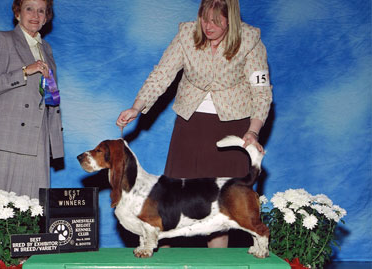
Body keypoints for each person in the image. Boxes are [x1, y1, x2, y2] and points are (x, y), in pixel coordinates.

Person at [116, 0, 272, 248]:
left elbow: (261, 92)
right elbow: (162, 74)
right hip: (190, 126)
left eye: (216, 22)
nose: (208, 26)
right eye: (204, 19)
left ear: (230, 21)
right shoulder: (186, 34)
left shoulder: (250, 40)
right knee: (168, 205)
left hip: (232, 127)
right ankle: (161, 264)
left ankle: (216, 266)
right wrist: (138, 106)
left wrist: (253, 131)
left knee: (222, 210)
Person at [0, 0, 64, 199]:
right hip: (5, 139)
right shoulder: (2, 39)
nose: (35, 15)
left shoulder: (46, 49)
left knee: (34, 211)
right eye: (29, 8)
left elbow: (51, 98)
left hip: (38, 139)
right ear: (17, 13)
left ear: (47, 18)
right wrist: (24, 72)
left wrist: (54, 142)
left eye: (41, 11)